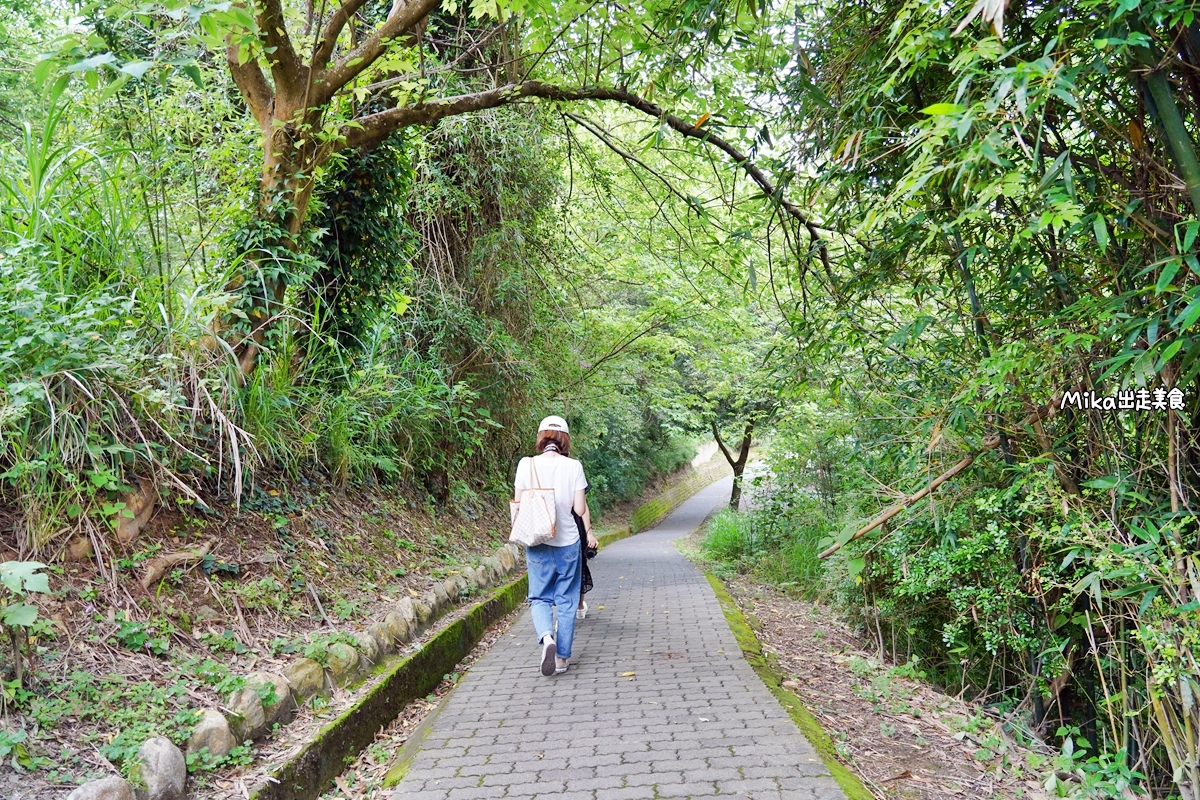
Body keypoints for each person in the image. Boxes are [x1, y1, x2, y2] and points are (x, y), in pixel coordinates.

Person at [513, 416, 598, 676]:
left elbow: (518, 502)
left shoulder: (525, 465)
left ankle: (546, 638)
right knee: (566, 599)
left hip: (537, 540)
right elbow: (579, 508)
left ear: (541, 438)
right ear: (565, 439)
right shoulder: (573, 466)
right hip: (568, 543)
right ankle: (561, 659)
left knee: (539, 596)